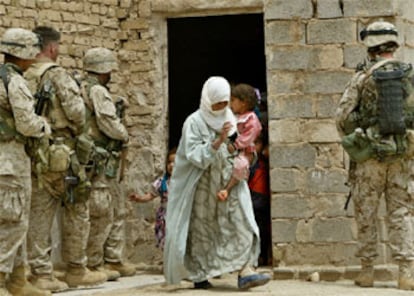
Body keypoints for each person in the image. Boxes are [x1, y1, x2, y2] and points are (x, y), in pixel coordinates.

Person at [163, 76, 271, 290]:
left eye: (225, 102)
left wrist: (245, 156)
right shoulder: (193, 122)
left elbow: (239, 145)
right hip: (202, 190)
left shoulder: (231, 117)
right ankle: (200, 274)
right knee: (203, 232)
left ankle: (245, 271)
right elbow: (194, 156)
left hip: (228, 185)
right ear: (207, 99)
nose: (222, 107)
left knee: (241, 222)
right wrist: (218, 141)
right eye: (217, 103)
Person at [23, 26, 107, 292]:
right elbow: (76, 113)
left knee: (39, 212)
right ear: (52, 48)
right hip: (62, 153)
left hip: (34, 151)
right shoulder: (57, 74)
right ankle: (76, 269)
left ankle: (40, 273)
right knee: (76, 208)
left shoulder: (22, 74)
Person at [336, 21, 414, 290]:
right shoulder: (410, 76)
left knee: (366, 212)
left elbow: (342, 117)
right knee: (402, 212)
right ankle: (406, 274)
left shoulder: (361, 77)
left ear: (370, 48)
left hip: (369, 156)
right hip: (402, 155)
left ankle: (367, 272)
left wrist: (359, 133)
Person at [0, 27, 52, 296]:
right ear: (21, 54)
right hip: (10, 161)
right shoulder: (15, 81)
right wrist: (44, 126)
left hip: (6, 161)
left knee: (14, 220)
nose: (35, 56)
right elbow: (26, 123)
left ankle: (18, 279)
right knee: (13, 221)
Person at [81, 47, 135, 280]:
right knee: (102, 211)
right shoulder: (97, 91)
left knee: (115, 208)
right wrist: (124, 134)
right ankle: (95, 262)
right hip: (102, 160)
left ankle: (113, 258)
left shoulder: (85, 88)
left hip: (105, 160)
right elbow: (107, 122)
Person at [217, 83, 262, 201]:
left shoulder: (251, 119)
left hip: (244, 150)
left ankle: (228, 188)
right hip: (230, 147)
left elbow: (249, 136)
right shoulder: (234, 116)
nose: (231, 104)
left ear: (244, 102)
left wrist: (236, 145)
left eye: (233, 100)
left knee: (240, 165)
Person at [129, 147, 176, 250]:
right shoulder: (162, 182)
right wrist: (139, 198)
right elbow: (151, 195)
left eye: (175, 162)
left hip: (178, 216)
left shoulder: (184, 183)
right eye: (169, 162)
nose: (171, 165)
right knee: (166, 242)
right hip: (165, 216)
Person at [248, 131, 271, 266]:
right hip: (252, 199)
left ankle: (262, 256)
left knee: (263, 231)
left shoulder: (264, 160)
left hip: (261, 201)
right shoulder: (248, 161)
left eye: (257, 143)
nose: (253, 146)